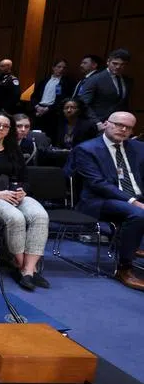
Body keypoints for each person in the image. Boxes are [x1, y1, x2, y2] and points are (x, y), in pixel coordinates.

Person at [0, 111, 50, 290]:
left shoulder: (13, 149)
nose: (1, 128)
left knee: (40, 215)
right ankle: (20, 265)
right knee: (16, 218)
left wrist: (23, 190)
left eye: (6, 126)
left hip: (14, 194)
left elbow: (25, 177)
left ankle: (28, 271)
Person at [71, 111, 144, 291]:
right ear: (106, 124)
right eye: (119, 124)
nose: (123, 129)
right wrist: (132, 200)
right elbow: (98, 184)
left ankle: (135, 246)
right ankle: (124, 267)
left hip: (137, 197)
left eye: (128, 127)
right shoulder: (86, 149)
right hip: (101, 200)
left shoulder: (139, 148)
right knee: (138, 214)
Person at [79, 48, 132, 122]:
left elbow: (124, 104)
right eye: (115, 63)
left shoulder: (127, 80)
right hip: (97, 123)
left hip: (117, 123)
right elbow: (84, 104)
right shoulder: (95, 79)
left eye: (122, 64)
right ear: (108, 62)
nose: (118, 67)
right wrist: (97, 123)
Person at [32, 59, 72, 130]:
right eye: (59, 67)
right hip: (39, 110)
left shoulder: (66, 83)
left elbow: (63, 99)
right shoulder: (44, 81)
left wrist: (48, 109)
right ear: (53, 68)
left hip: (53, 113)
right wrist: (37, 107)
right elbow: (34, 96)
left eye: (64, 68)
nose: (61, 69)